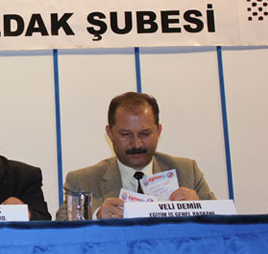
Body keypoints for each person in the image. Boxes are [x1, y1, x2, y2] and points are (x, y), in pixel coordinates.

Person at [56, 92, 215, 220]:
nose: (137, 144)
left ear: (158, 131)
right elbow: (60, 228)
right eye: (126, 135)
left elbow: (224, 223)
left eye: (145, 134)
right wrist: (95, 216)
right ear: (110, 134)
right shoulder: (82, 180)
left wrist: (201, 208)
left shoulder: (187, 172)